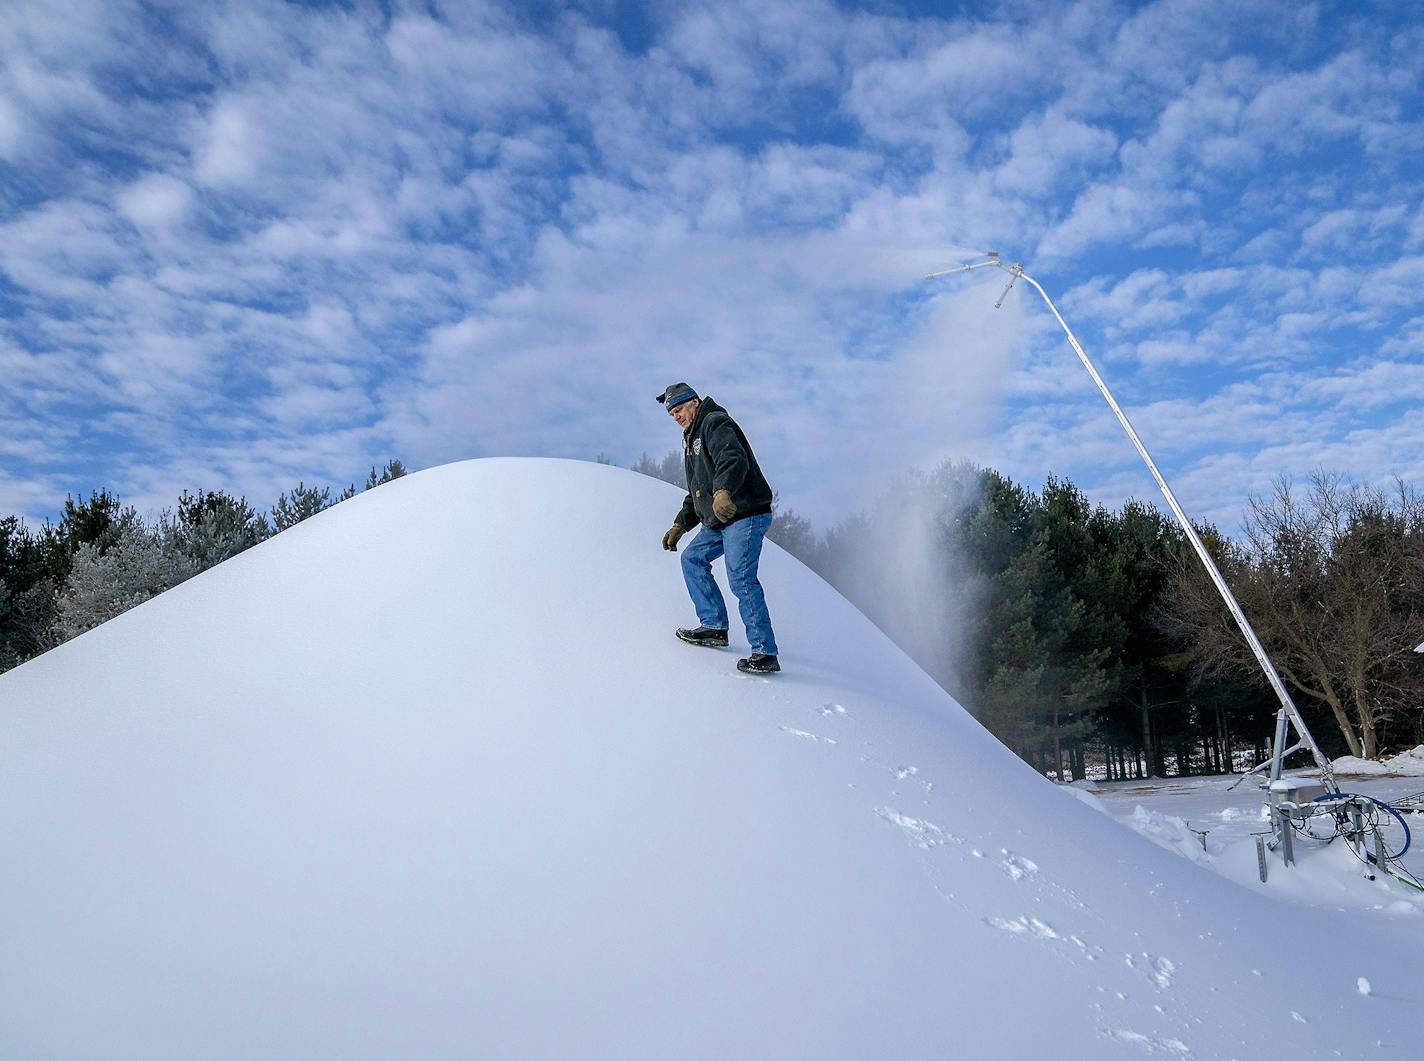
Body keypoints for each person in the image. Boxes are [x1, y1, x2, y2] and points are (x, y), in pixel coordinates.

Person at [656, 382, 780, 674]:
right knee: (692, 559)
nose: (676, 416)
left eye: (679, 409)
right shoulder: (690, 439)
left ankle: (765, 652)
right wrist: (680, 524)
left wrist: (724, 491)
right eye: (671, 413)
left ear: (695, 402)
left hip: (744, 513)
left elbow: (732, 459)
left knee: (740, 579)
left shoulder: (714, 422)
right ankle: (714, 627)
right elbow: (697, 491)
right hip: (718, 520)